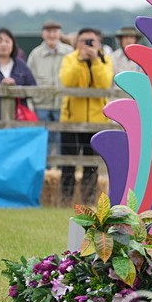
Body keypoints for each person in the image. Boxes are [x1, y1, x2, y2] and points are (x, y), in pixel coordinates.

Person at [60, 28, 114, 199]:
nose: (88, 45)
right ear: (77, 43)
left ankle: (88, 198)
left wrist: (95, 61)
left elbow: (104, 83)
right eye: (84, 41)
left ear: (99, 43)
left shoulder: (105, 60)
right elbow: (67, 81)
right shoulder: (70, 59)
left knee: (92, 165)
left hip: (97, 121)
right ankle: (65, 198)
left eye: (92, 41)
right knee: (68, 163)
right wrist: (80, 61)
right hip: (72, 120)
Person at [27, 20, 73, 153]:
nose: (51, 35)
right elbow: (30, 80)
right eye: (48, 31)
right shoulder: (35, 55)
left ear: (59, 33)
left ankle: (59, 170)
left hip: (63, 104)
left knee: (62, 139)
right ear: (43, 34)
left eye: (54, 31)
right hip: (41, 104)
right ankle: (44, 169)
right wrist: (31, 104)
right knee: (43, 139)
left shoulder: (69, 52)